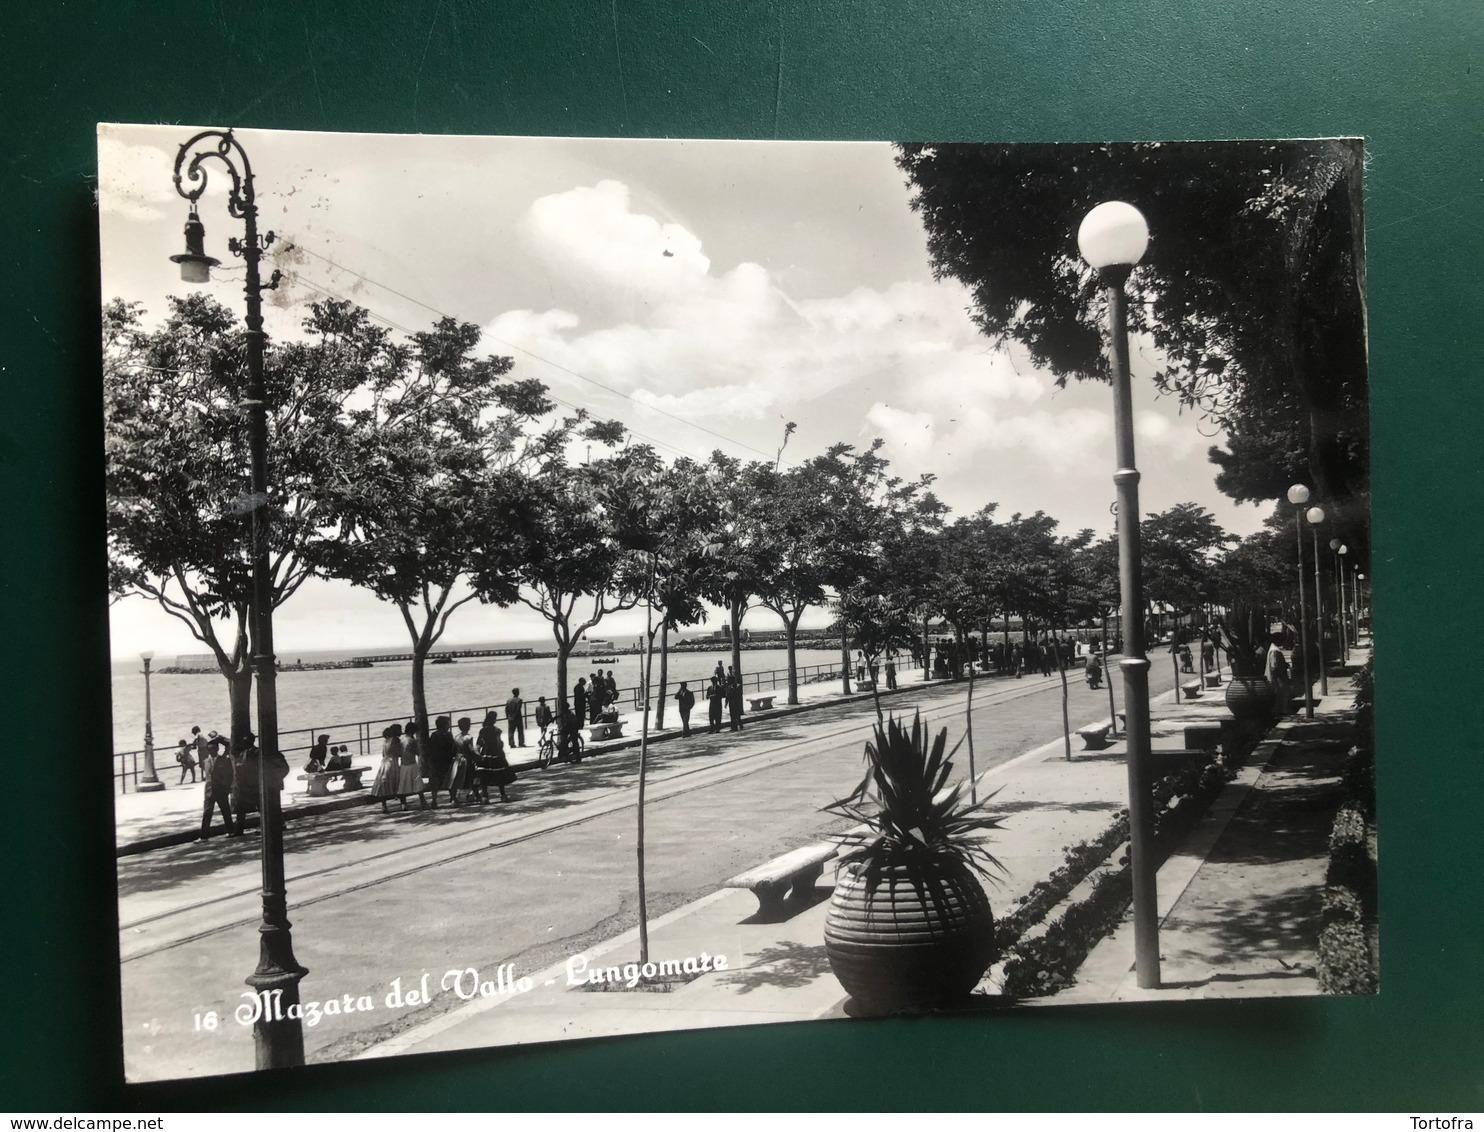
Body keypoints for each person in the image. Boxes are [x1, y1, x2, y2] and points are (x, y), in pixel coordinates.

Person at [229, 731, 288, 837]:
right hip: (247, 784)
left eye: (247, 741)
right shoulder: (243, 754)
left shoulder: (259, 753)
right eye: (244, 741)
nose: (245, 743)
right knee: (241, 807)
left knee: (263, 807)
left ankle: (272, 825)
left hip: (258, 784)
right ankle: (239, 830)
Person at [199, 740, 234, 839]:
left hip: (221, 789)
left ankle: (230, 830)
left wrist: (228, 787)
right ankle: (204, 835)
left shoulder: (225, 760)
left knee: (225, 811)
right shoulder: (205, 762)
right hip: (209, 790)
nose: (211, 751)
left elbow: (230, 775)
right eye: (209, 749)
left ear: (217, 749)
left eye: (213, 749)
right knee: (207, 813)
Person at [427, 715, 459, 806]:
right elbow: (452, 747)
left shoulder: (434, 735)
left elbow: (430, 748)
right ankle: (453, 798)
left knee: (435, 781)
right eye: (448, 724)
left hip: (436, 760)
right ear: (443, 725)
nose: (449, 726)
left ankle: (434, 800)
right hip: (446, 760)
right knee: (451, 779)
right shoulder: (448, 735)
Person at [372, 724, 404, 812]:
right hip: (392, 762)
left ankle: (384, 806)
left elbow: (383, 754)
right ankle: (403, 803)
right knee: (398, 783)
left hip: (384, 762)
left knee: (384, 784)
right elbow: (400, 753)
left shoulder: (386, 741)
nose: (401, 732)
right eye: (400, 730)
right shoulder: (396, 740)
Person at [401, 720, 429, 809]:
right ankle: (423, 802)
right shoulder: (413, 741)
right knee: (418, 784)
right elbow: (418, 752)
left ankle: (403, 803)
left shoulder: (401, 740)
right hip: (412, 764)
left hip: (403, 764)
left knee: (403, 784)